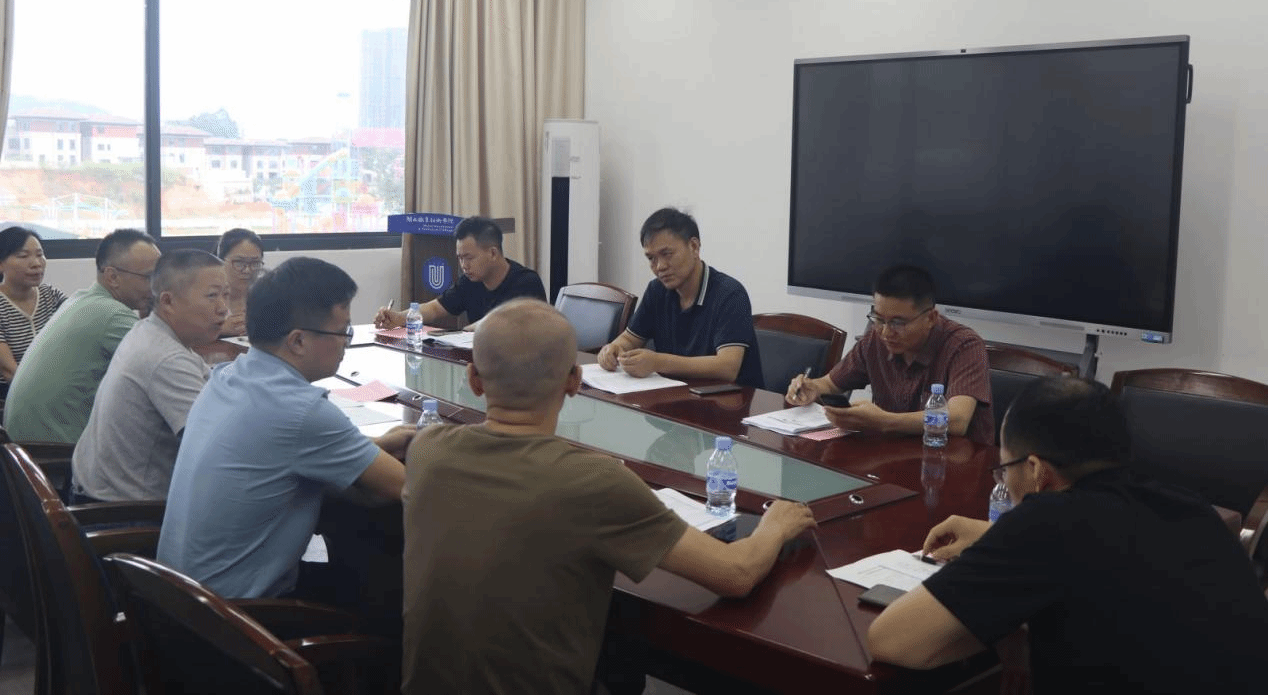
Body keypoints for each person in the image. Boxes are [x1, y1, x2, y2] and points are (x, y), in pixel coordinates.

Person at [401, 299, 815, 694]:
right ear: (574, 381)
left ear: (474, 379)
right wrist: (775, 527)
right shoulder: (593, 480)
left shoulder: (427, 451)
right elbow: (736, 575)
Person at [867, 376, 1268, 694]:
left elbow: (894, 641)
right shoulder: (1192, 510)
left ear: (1036, 471)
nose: (1004, 481)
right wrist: (998, 535)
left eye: (1004, 469)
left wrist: (1002, 547)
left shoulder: (1047, 522)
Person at [158, 257, 412, 606]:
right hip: (239, 619)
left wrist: (377, 445)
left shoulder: (228, 376)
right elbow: (409, 488)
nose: (346, 344)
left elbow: (283, 448)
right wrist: (439, 447)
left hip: (179, 600)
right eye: (343, 332)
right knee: (385, 581)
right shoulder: (301, 411)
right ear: (298, 341)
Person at [71, 249, 228, 502]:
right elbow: (216, 445)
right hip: (122, 512)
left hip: (95, 490)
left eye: (225, 295)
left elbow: (209, 386)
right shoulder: (166, 358)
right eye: (212, 296)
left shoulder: (149, 330)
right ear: (168, 301)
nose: (223, 309)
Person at [786, 265, 993, 443]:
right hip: (894, 455)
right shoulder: (875, 340)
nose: (885, 332)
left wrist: (884, 421)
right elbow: (831, 384)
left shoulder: (964, 346)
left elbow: (957, 420)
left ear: (930, 318)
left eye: (897, 322)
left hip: (953, 462)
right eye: (878, 319)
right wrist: (812, 388)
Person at [4, 229, 161, 444]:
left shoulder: (76, 298)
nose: (158, 287)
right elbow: (164, 364)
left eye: (40, 254)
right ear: (113, 277)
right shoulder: (111, 314)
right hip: (50, 448)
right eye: (150, 277)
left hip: (23, 440)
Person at [597, 207, 764, 387]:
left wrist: (658, 362)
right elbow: (630, 339)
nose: (659, 266)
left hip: (731, 399)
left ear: (694, 247)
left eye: (667, 254)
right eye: (651, 258)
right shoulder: (656, 290)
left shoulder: (730, 294)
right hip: (676, 394)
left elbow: (727, 367)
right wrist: (613, 349)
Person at [374, 215, 545, 331]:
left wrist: (466, 332)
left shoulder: (526, 283)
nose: (464, 265)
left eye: (469, 258)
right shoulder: (470, 281)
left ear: (493, 253)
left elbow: (503, 325)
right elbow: (435, 308)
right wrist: (400, 318)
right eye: (460, 258)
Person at [0, 226, 68, 408]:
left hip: (53, 388)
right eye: (23, 256)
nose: (36, 263)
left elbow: (78, 329)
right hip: (11, 398)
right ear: (1, 264)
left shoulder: (51, 295)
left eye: (40, 254)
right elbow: (9, 371)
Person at [216, 227, 264, 338]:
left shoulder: (266, 295)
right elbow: (185, 334)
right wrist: (220, 329)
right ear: (221, 261)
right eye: (239, 263)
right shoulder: (205, 295)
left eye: (255, 263)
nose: (247, 270)